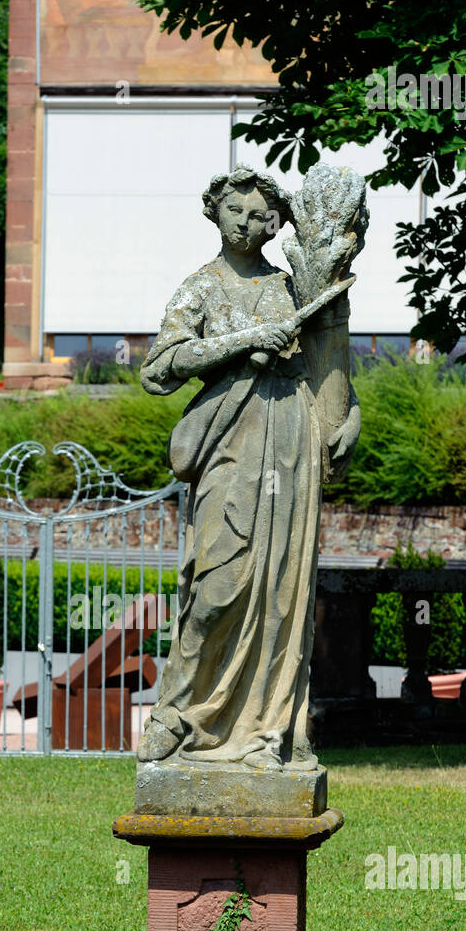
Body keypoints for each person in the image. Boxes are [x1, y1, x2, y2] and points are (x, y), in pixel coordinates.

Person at [137, 164, 360, 770]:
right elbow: (158, 371)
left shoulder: (293, 287)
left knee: (282, 592)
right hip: (231, 440)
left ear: (277, 222)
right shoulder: (200, 288)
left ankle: (271, 727)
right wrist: (243, 343)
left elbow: (327, 364)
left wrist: (351, 415)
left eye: (261, 213)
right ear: (214, 211)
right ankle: (177, 714)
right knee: (217, 585)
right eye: (236, 209)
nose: (247, 221)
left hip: (291, 433)